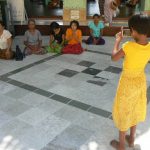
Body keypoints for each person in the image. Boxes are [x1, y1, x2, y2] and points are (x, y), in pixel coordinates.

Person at [110, 14, 150, 150]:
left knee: (124, 111)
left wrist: (117, 41)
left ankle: (121, 145)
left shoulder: (128, 46)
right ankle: (131, 139)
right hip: (140, 81)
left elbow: (114, 58)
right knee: (135, 109)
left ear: (133, 30)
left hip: (127, 83)